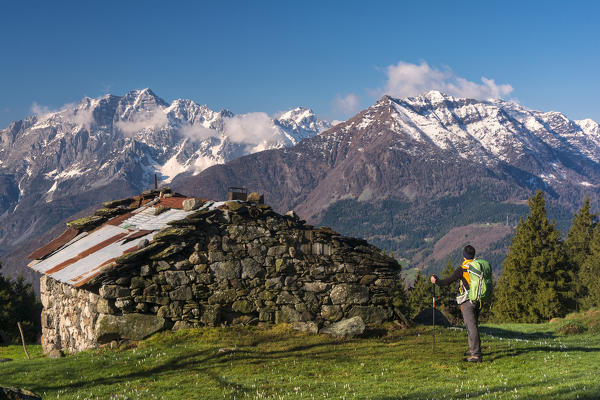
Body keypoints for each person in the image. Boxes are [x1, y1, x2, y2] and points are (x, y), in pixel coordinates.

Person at [430, 245, 482, 363]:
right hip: (479, 299)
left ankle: (476, 355)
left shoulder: (462, 269)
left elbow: (446, 282)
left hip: (468, 301)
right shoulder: (478, 266)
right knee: (473, 325)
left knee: (471, 326)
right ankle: (472, 348)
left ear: (464, 256)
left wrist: (436, 281)